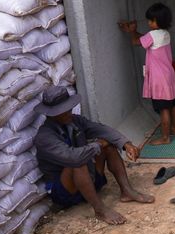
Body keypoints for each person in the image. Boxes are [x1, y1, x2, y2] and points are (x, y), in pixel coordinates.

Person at [34, 86, 154, 225]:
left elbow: (100, 129)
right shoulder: (44, 137)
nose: (68, 112)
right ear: (51, 114)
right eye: (63, 111)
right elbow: (73, 157)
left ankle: (127, 190)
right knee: (77, 161)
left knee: (108, 145)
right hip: (65, 192)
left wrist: (125, 143)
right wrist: (97, 145)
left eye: (68, 108)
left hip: (87, 180)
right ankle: (100, 209)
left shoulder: (75, 121)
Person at [119, 3, 175, 145]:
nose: (148, 23)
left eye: (151, 20)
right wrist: (134, 31)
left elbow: (136, 42)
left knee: (163, 108)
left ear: (158, 21)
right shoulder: (165, 34)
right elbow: (145, 40)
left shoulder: (152, 35)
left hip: (159, 79)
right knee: (173, 105)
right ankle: (174, 129)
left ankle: (165, 138)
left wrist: (132, 31)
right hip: (169, 75)